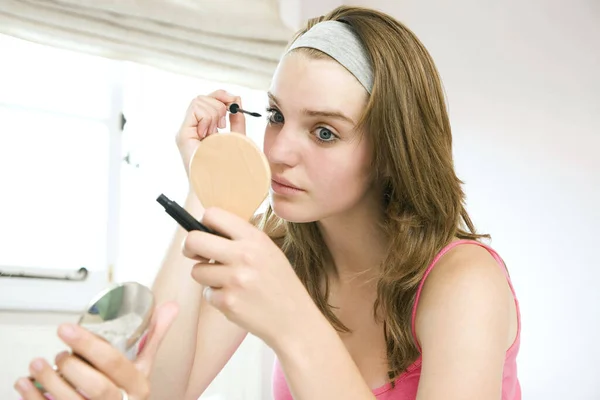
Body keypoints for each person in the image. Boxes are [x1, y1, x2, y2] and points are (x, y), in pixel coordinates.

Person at [14, 5, 521, 400]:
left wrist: (293, 317)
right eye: (276, 116)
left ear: (391, 151)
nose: (277, 151)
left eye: (324, 132)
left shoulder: (464, 282)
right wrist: (208, 181)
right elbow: (166, 389)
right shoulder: (285, 252)